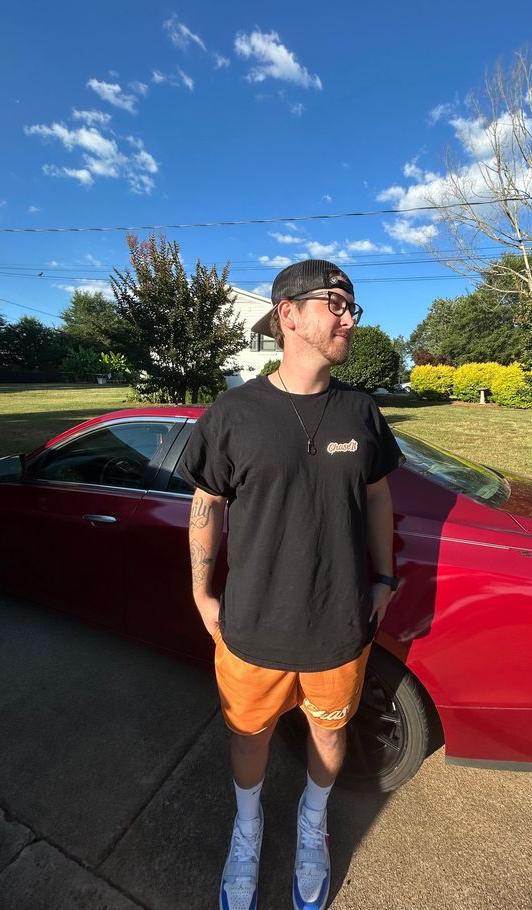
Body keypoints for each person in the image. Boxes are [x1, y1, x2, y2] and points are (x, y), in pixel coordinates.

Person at [181, 259, 403, 910]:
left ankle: (312, 825)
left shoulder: (361, 411)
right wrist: (200, 590)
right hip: (252, 627)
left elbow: (380, 498)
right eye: (335, 303)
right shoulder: (232, 413)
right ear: (288, 313)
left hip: (339, 625)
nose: (347, 318)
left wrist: (384, 577)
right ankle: (247, 830)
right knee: (247, 737)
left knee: (330, 734)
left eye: (351, 306)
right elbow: (207, 504)